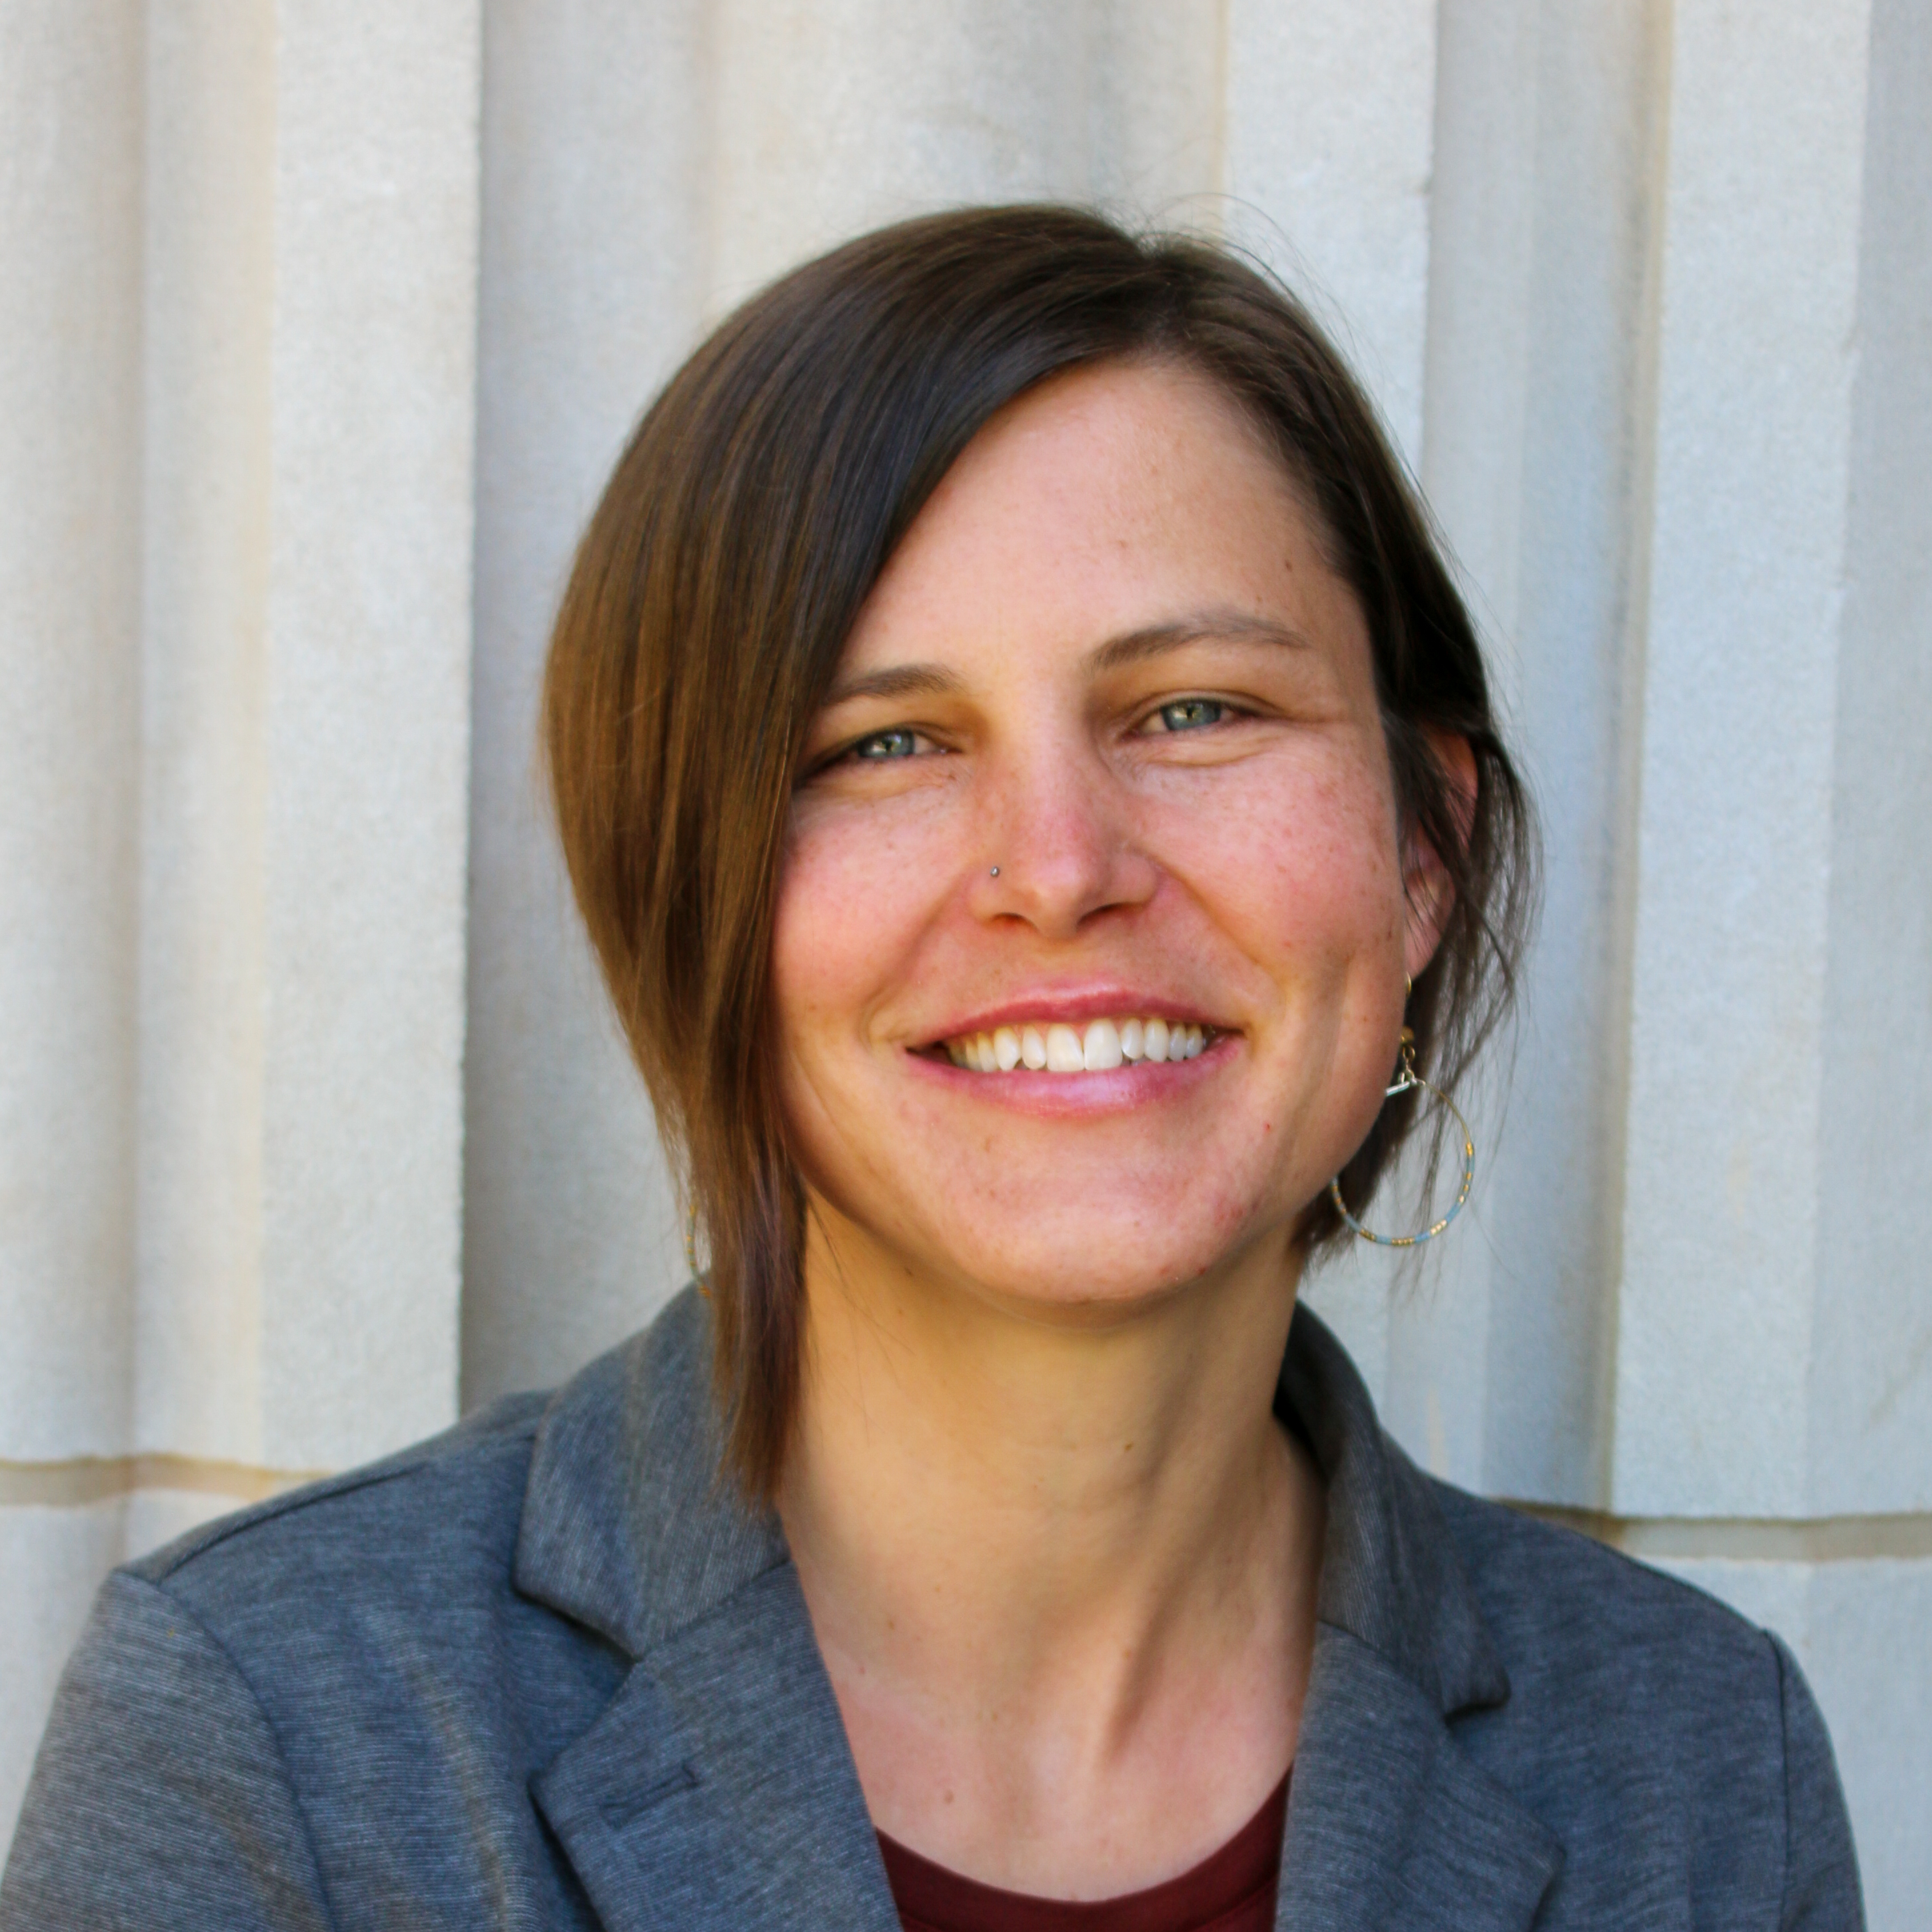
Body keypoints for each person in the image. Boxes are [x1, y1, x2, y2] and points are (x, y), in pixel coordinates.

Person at [1, 206, 1863, 1932]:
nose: (1058, 864)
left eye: (1193, 709)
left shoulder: (1701, 1773)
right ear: (686, 896)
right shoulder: (277, 1738)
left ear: (1421, 850)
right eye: (884, 741)